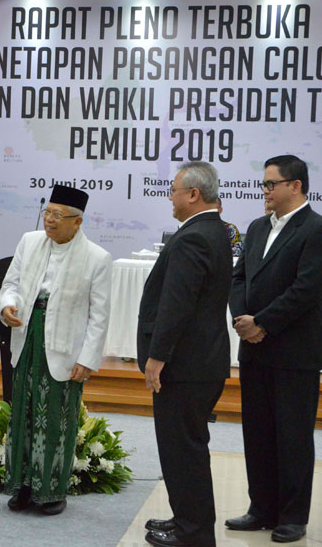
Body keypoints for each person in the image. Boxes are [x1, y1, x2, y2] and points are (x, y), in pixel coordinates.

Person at [0, 185, 111, 515]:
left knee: (56, 419)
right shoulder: (29, 241)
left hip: (65, 346)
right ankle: (20, 487)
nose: (49, 220)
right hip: (27, 334)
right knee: (22, 413)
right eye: (47, 213)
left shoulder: (97, 258)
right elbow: (10, 285)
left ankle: (50, 492)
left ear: (77, 222)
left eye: (57, 216)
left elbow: (99, 316)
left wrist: (87, 359)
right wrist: (7, 306)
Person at [227, 155, 322, 544]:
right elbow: (239, 277)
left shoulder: (315, 229)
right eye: (264, 184)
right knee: (258, 432)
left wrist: (262, 322)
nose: (263, 191)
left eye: (271, 184)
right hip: (254, 349)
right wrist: (242, 320)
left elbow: (306, 289)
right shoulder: (255, 226)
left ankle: (292, 516)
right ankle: (261, 508)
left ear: (295, 186)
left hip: (294, 352)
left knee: (293, 436)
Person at [137, 162, 232, 547]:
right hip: (199, 362)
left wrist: (157, 357)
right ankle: (187, 520)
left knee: (183, 451)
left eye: (174, 189)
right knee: (184, 449)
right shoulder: (213, 230)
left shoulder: (194, 237)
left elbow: (178, 305)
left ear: (193, 194)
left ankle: (193, 533)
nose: (170, 197)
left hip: (185, 366)